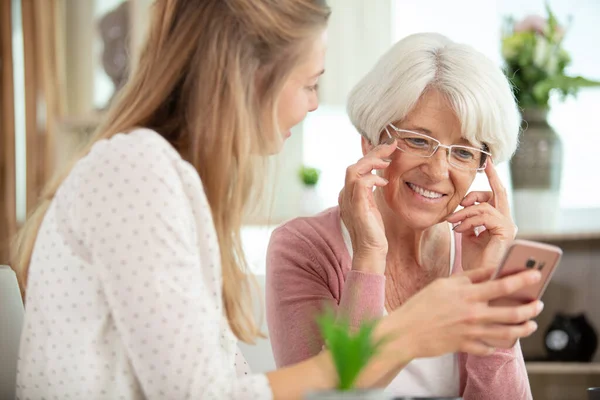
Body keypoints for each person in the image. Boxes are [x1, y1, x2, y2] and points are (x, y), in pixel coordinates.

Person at [13, 2, 542, 399]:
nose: (314, 106)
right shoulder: (136, 172)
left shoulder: (169, 183)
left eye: (464, 152)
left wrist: (484, 304)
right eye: (310, 83)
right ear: (252, 77)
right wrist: (403, 334)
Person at [267, 32, 534, 399]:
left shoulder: (478, 250)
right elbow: (323, 396)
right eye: (419, 141)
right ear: (370, 141)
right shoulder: (303, 247)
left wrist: (485, 289)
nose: (438, 171)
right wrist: (368, 257)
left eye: (463, 152)